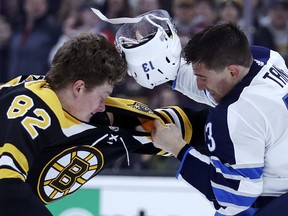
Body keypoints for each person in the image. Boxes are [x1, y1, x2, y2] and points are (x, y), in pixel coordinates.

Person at [0, 33, 208, 215]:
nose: (102, 106)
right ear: (79, 88)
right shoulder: (31, 111)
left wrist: (231, 116)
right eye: (103, 95)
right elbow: (5, 186)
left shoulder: (98, 114)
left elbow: (175, 127)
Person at [112, 10, 288, 214]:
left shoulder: (239, 113)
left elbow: (234, 198)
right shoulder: (265, 59)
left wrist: (178, 148)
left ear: (232, 71)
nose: (199, 85)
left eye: (203, 78)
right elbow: (219, 83)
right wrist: (160, 66)